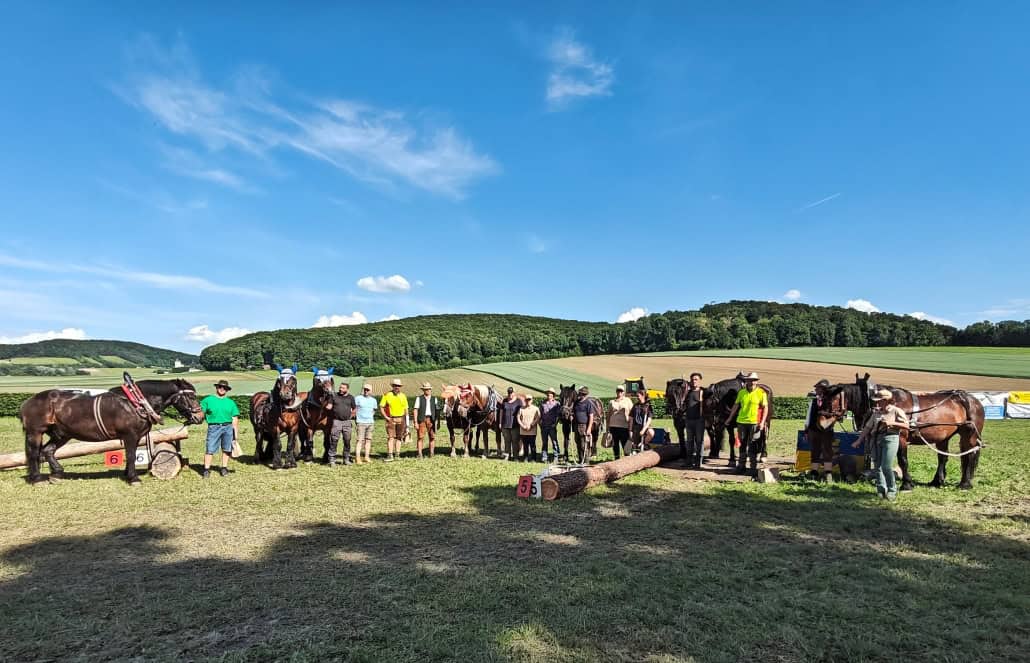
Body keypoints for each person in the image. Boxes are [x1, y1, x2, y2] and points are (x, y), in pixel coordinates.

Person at [853, 389, 909, 500]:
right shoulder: (876, 413)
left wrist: (891, 423)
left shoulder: (896, 411)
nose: (877, 403)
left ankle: (892, 490)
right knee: (877, 467)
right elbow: (868, 428)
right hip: (876, 439)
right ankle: (881, 490)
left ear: (887, 400)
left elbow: (906, 425)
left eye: (880, 401)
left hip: (890, 439)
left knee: (886, 466)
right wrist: (859, 440)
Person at [724, 372, 768, 478]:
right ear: (746, 381)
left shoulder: (761, 393)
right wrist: (730, 418)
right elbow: (736, 405)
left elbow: (765, 408)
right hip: (741, 422)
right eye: (749, 380)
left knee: (753, 445)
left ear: (756, 381)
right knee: (742, 444)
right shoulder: (742, 392)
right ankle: (741, 466)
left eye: (753, 380)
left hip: (754, 423)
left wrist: (762, 422)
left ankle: (753, 468)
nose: (751, 382)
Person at [200, 379, 240, 478]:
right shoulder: (207, 400)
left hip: (228, 427)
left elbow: (235, 418)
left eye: (225, 388)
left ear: (227, 390)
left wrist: (235, 432)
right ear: (217, 387)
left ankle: (224, 468)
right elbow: (200, 413)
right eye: (220, 387)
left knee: (227, 449)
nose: (222, 389)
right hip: (214, 427)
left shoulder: (231, 402)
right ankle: (206, 469)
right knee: (210, 448)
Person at [325, 381, 356, 466]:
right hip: (336, 422)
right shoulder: (334, 396)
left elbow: (354, 408)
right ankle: (332, 460)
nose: (340, 389)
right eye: (340, 387)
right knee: (334, 440)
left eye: (343, 388)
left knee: (347, 441)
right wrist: (325, 405)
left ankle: (346, 459)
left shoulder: (351, 397)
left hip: (347, 422)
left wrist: (351, 416)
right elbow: (329, 406)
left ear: (347, 389)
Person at [379, 379, 408, 462]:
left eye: (398, 386)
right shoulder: (387, 395)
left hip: (401, 418)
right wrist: (386, 417)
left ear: (400, 387)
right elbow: (381, 407)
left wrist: (406, 422)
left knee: (399, 437)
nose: (397, 387)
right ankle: (390, 455)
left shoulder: (403, 396)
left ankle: (397, 454)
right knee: (391, 437)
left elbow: (406, 409)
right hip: (391, 419)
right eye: (395, 385)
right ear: (392, 386)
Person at [412, 382, 441, 459]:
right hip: (422, 419)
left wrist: (438, 422)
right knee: (420, 437)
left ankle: (431, 453)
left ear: (430, 389)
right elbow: (415, 410)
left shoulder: (435, 399)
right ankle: (419, 454)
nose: (427, 390)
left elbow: (437, 410)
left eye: (428, 389)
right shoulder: (419, 398)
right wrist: (415, 422)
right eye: (425, 389)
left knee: (432, 437)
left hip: (431, 420)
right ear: (423, 390)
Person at [683, 372, 706, 469]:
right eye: (692, 379)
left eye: (696, 379)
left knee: (699, 441)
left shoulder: (702, 392)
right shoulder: (687, 393)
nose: (694, 381)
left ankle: (698, 463)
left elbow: (704, 406)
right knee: (689, 441)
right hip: (689, 420)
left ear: (700, 380)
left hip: (699, 420)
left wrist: (703, 418)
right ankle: (689, 462)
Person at [607, 385, 633, 459]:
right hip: (613, 426)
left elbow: (632, 413)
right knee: (615, 445)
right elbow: (608, 415)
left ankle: (627, 459)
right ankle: (616, 459)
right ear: (616, 391)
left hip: (624, 426)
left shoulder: (627, 400)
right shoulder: (612, 402)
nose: (619, 392)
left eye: (621, 391)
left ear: (623, 392)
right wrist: (607, 428)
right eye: (618, 391)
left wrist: (631, 425)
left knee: (625, 444)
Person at [353, 383, 377, 463]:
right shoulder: (358, 398)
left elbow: (374, 410)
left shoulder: (374, 400)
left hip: (370, 423)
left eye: (368, 390)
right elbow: (354, 409)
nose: (366, 391)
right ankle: (358, 457)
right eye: (365, 389)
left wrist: (369, 417)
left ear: (371, 391)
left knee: (368, 440)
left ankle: (366, 457)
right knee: (360, 440)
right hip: (360, 422)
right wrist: (357, 419)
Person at [573, 386, 596, 463]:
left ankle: (586, 462)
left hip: (584, 426)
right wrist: (571, 416)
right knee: (578, 444)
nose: (581, 395)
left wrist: (589, 428)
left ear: (585, 394)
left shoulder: (588, 403)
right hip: (576, 426)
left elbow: (591, 416)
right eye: (580, 393)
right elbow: (573, 412)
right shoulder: (576, 403)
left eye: (583, 394)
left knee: (584, 445)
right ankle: (580, 460)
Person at [500, 386, 522, 461]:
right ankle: (507, 455)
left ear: (514, 393)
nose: (510, 395)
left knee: (515, 441)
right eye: (509, 393)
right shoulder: (505, 401)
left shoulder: (518, 401)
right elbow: (501, 412)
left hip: (515, 425)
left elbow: (521, 412)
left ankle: (515, 456)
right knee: (507, 441)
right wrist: (500, 423)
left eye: (511, 393)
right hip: (505, 425)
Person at [539, 388, 562, 463]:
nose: (549, 394)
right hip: (544, 426)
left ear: (553, 395)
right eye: (548, 393)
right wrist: (540, 423)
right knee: (544, 442)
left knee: (554, 442)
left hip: (552, 426)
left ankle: (556, 457)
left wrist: (555, 424)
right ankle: (544, 457)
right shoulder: (543, 403)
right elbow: (540, 414)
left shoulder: (557, 404)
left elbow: (558, 416)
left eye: (550, 393)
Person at [517, 393, 541, 462]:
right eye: (527, 400)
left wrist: (532, 425)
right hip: (523, 431)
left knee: (533, 445)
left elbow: (538, 417)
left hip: (532, 431)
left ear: (532, 400)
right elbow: (518, 417)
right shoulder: (521, 409)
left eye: (529, 400)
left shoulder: (536, 409)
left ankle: (533, 459)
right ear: (525, 400)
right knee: (525, 446)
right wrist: (522, 426)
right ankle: (525, 458)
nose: (528, 401)